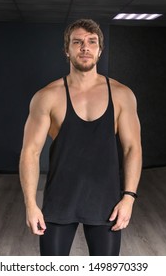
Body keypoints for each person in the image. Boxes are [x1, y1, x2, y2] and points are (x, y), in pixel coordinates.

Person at [19, 19, 142, 256]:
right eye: (77, 42)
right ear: (67, 50)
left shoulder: (122, 95)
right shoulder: (47, 96)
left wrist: (129, 198)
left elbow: (132, 149)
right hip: (59, 202)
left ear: (99, 50)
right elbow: (30, 152)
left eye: (91, 42)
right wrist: (31, 205)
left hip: (107, 203)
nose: (85, 47)